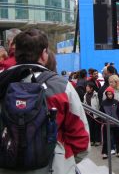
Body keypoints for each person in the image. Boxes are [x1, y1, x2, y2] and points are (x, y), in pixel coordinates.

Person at [0, 28, 90, 174]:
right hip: (53, 166)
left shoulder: (3, 83)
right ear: (43, 54)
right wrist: (65, 162)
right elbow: (82, 141)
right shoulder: (61, 86)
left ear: (16, 53)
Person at [100, 86, 119, 159]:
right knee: (106, 139)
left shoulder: (116, 102)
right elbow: (101, 112)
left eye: (111, 94)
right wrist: (103, 120)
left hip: (116, 123)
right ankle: (105, 152)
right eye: (108, 94)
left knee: (118, 138)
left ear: (113, 94)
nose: (109, 95)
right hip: (107, 124)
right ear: (106, 94)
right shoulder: (103, 103)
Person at [84, 81, 101, 147]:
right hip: (89, 114)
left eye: (87, 87)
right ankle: (91, 140)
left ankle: (97, 140)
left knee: (96, 127)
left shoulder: (96, 95)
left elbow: (98, 104)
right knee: (90, 127)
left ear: (91, 88)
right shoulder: (85, 95)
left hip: (96, 114)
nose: (86, 87)